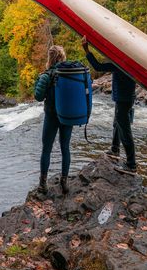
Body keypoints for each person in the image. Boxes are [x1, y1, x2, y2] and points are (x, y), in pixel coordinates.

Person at [82, 36, 137, 174]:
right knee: (117, 123)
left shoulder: (120, 63)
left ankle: (131, 164)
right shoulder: (130, 61)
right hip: (127, 98)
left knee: (125, 131)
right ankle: (114, 149)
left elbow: (98, 66)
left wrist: (86, 50)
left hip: (124, 99)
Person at [34, 45, 73, 194]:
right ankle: (64, 183)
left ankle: (43, 184)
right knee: (65, 148)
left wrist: (37, 81)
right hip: (67, 116)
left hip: (51, 116)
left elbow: (38, 97)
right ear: (63, 58)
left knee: (47, 149)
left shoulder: (46, 75)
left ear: (50, 58)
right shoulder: (70, 74)